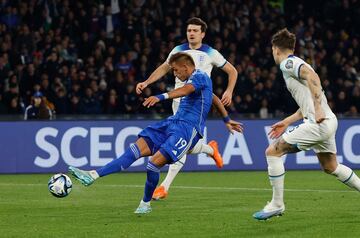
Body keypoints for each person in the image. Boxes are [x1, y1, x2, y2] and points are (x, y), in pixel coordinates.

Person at [69, 52, 243, 214]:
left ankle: (145, 203)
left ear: (185, 66)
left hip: (187, 129)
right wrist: (227, 120)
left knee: (153, 164)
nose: (174, 74)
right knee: (133, 151)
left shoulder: (200, 76)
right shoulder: (199, 82)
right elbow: (213, 97)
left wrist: (160, 97)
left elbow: (185, 90)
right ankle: (93, 175)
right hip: (171, 122)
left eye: (175, 70)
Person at [253, 29, 360, 220]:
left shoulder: (288, 63)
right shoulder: (294, 65)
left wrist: (317, 108)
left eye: (272, 50)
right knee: (330, 166)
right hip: (328, 121)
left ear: (276, 49)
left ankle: (277, 204)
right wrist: (286, 121)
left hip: (318, 123)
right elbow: (306, 102)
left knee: (272, 152)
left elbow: (313, 77)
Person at [136, 17, 238, 200]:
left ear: (203, 34)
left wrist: (229, 91)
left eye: (195, 31)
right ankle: (210, 150)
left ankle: (164, 187)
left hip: (198, 104)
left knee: (178, 143)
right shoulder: (178, 50)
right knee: (185, 146)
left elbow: (233, 71)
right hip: (178, 101)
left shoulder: (211, 53)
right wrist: (146, 82)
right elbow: (164, 68)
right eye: (189, 30)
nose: (191, 33)